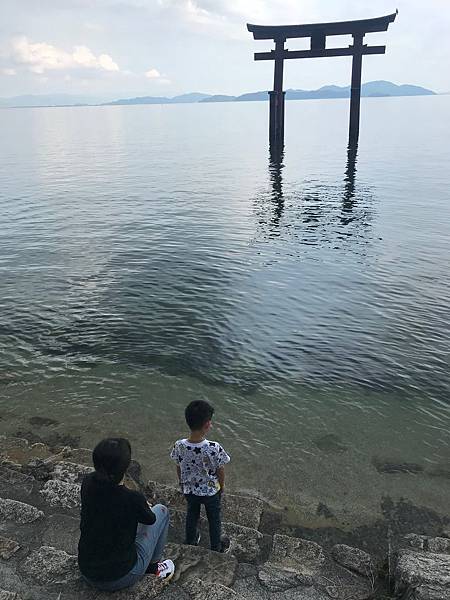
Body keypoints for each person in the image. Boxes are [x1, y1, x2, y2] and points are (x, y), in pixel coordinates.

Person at [78, 437, 175, 591]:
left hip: (87, 570)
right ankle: (154, 567)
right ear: (126, 466)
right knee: (162, 511)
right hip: (121, 576)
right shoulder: (131, 498)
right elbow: (150, 520)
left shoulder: (87, 482)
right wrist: (144, 506)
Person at [170, 400, 231, 552]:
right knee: (214, 519)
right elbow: (220, 470)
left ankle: (190, 540)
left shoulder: (179, 445)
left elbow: (178, 466)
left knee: (192, 514)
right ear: (206, 425)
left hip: (190, 489)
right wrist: (221, 486)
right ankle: (216, 546)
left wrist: (182, 483)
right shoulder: (213, 447)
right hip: (211, 492)